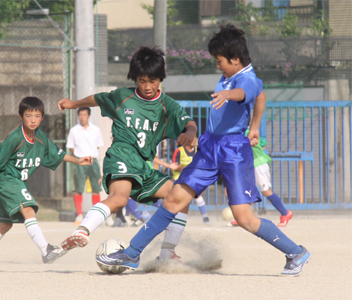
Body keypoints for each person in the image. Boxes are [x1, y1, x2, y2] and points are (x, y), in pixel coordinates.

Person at [98, 24, 310, 277]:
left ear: (235, 59)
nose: (217, 65)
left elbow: (249, 91)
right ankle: (132, 254)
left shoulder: (245, 79)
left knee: (245, 219)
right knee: (174, 199)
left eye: (219, 61)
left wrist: (229, 95)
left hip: (233, 151)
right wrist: (255, 126)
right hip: (210, 146)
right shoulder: (235, 74)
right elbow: (262, 96)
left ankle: (295, 252)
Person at [57, 46, 197, 263]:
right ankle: (82, 231)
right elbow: (97, 99)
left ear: (161, 78)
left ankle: (167, 252)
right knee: (119, 198)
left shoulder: (166, 105)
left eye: (153, 80)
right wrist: (73, 104)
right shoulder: (123, 96)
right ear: (135, 79)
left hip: (144, 166)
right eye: (142, 80)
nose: (148, 86)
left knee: (183, 194)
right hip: (122, 155)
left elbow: (189, 122)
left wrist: (190, 132)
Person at [0, 97, 93, 264]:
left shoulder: (40, 137)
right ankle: (46, 251)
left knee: (6, 224)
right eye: (28, 115)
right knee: (29, 210)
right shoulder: (14, 137)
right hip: (8, 179)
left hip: (19, 181)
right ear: (21, 116)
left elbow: (57, 153)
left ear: (42, 117)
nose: (33, 120)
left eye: (37, 116)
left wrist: (77, 160)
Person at [230, 126, 293, 227]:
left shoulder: (243, 133)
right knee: (244, 191)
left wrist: (257, 154)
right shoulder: (246, 131)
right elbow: (263, 143)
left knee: (265, 191)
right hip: (251, 166)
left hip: (258, 165)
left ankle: (285, 213)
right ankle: (243, 217)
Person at [154, 137, 211, 224]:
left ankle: (205, 217)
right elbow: (175, 166)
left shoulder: (198, 150)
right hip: (179, 178)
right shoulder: (179, 151)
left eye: (194, 137)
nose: (194, 139)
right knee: (175, 198)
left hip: (192, 177)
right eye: (192, 138)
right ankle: (170, 217)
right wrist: (189, 167)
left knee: (197, 195)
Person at [66, 107, 104, 225]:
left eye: (84, 115)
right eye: (80, 115)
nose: (82, 117)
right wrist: (80, 158)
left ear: (88, 116)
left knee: (96, 188)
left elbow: (97, 146)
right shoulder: (74, 130)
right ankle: (79, 215)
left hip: (93, 161)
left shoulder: (96, 130)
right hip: (80, 162)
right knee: (78, 188)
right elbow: (71, 148)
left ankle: (97, 215)